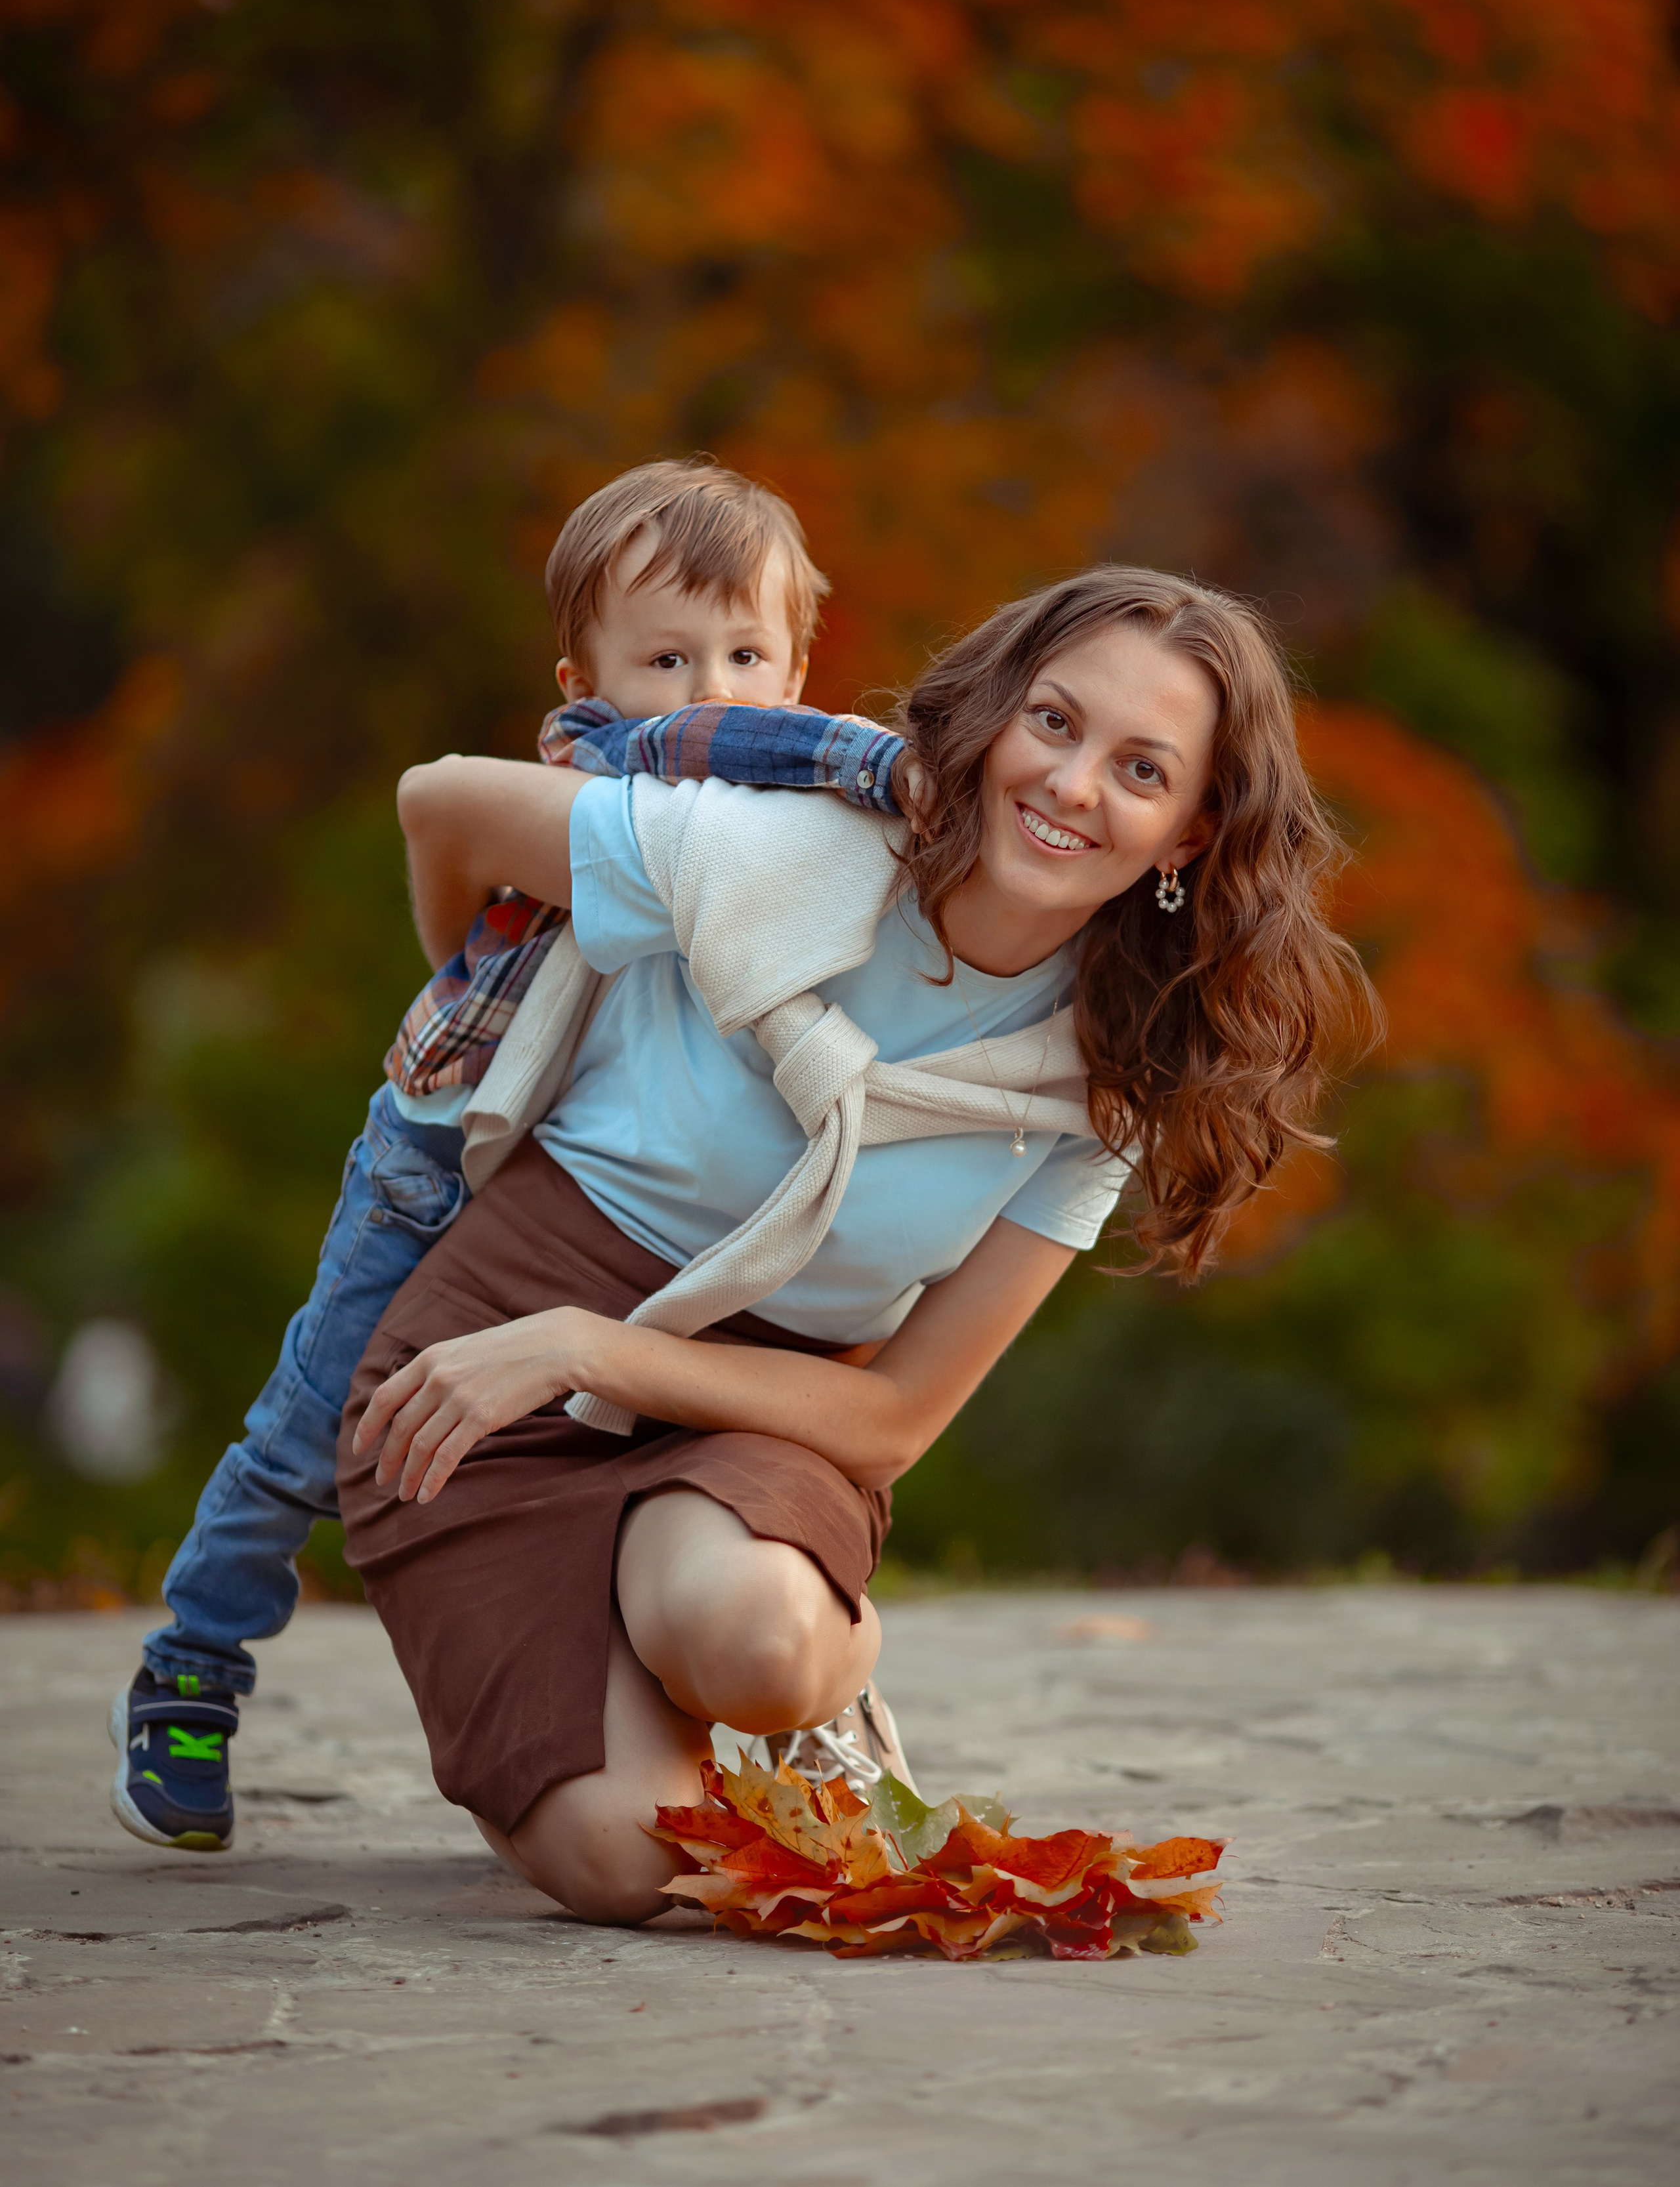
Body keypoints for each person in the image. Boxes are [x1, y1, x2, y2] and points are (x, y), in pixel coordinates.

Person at [342, 564, 1377, 1928]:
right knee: (624, 1864)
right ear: (997, 713)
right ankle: (582, 1739)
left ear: (1189, 833)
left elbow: (890, 1417)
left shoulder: (1101, 1074)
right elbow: (441, 802)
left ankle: (816, 1669)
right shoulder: (774, 851)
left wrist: (598, 1347)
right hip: (485, 1370)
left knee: (753, 1642)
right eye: (1053, 724)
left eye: (1140, 768)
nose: (1072, 787)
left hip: (752, 1408)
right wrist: (478, 1010)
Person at [111, 460, 910, 1852]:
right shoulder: (627, 764)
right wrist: (887, 763)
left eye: (744, 654)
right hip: (434, 1158)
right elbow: (714, 761)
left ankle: (696, 1673)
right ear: (583, 675)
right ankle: (197, 1661)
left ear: (794, 659)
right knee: (312, 1421)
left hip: (569, 1195)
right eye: (664, 656)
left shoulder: (776, 827)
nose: (706, 685)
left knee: (616, 1425)